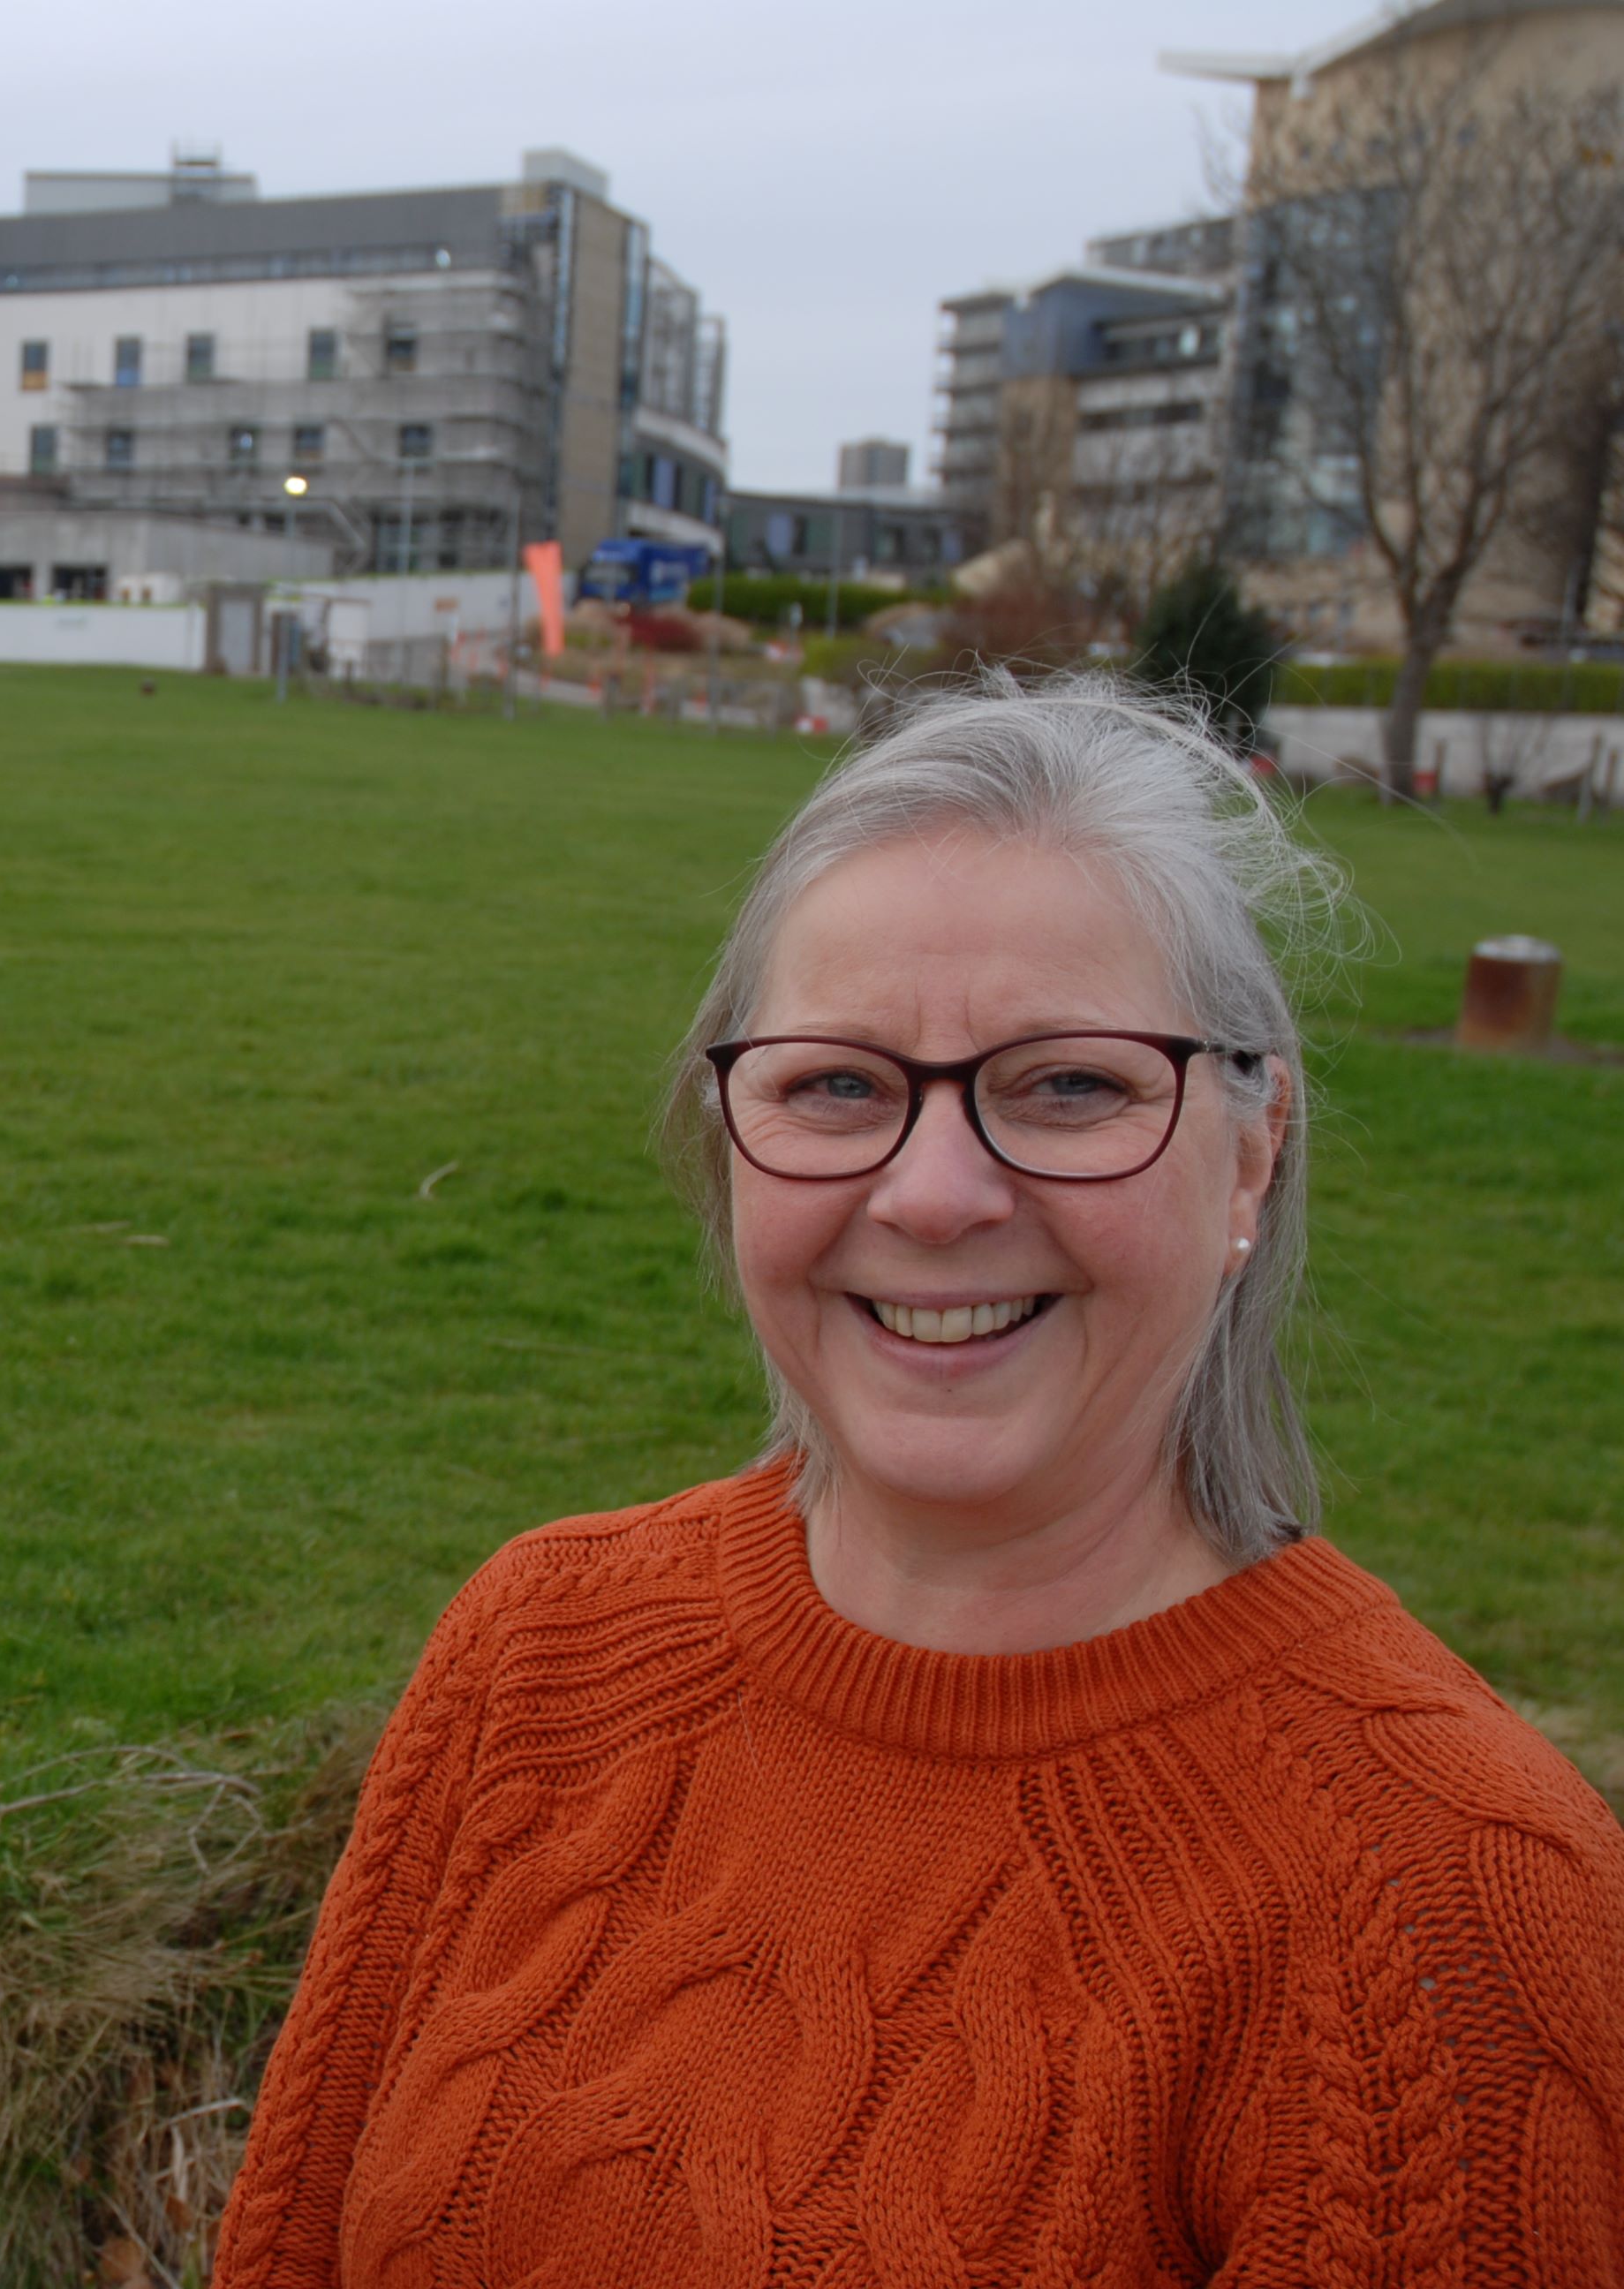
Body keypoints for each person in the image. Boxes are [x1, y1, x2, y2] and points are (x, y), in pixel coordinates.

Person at [215, 687, 1624, 2285]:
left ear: (1249, 1154)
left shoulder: (1440, 1913)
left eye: (1069, 1087)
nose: (936, 1194)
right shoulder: (542, 1647)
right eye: (837, 1086)